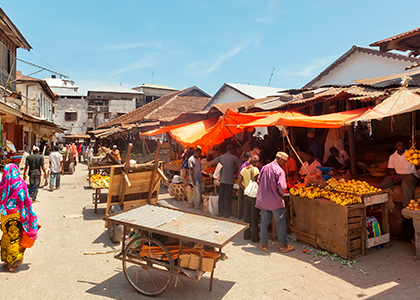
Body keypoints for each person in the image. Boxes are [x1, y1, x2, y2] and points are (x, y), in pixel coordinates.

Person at [1, 164, 38, 272]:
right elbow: (24, 200)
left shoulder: (3, 184)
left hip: (4, 215)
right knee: (15, 238)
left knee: (6, 237)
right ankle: (14, 263)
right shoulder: (20, 184)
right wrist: (28, 215)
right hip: (15, 215)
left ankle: (6, 260)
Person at [256, 152, 295, 253]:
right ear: (281, 160)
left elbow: (258, 181)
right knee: (280, 223)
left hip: (264, 201)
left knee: (264, 223)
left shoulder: (264, 168)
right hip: (275, 201)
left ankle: (263, 245)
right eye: (285, 162)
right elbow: (282, 187)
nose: (285, 164)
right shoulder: (279, 171)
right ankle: (283, 246)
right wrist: (279, 194)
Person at [380, 140, 418, 208]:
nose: (401, 146)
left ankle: (407, 211)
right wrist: (393, 176)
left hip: (410, 175)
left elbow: (418, 165)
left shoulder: (410, 154)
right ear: (395, 147)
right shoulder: (392, 156)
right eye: (399, 145)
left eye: (402, 145)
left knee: (406, 186)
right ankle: (385, 206)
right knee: (384, 185)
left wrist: (417, 160)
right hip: (398, 174)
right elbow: (390, 168)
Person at [213, 145, 242, 218]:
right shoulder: (234, 158)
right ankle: (226, 214)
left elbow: (213, 162)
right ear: (232, 150)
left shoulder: (221, 157)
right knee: (227, 198)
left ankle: (220, 213)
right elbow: (242, 165)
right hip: (229, 181)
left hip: (222, 180)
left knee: (221, 197)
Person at [239, 155, 260, 243]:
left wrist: (246, 189)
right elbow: (258, 182)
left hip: (246, 194)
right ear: (256, 162)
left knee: (247, 216)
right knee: (254, 216)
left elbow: (239, 182)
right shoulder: (255, 170)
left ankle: (246, 235)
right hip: (254, 196)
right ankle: (254, 237)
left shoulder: (243, 170)